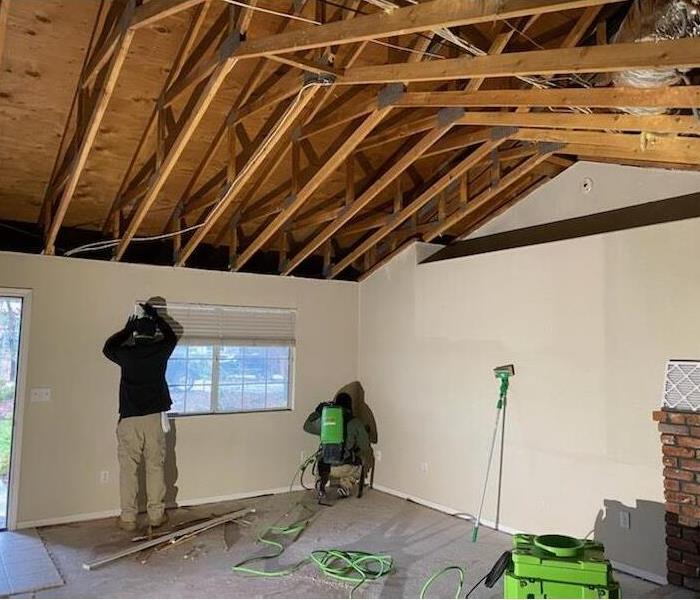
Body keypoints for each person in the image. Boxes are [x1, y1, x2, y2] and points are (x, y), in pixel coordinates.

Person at [103, 301, 177, 532]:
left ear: (135, 332)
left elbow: (107, 348)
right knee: (155, 467)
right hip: (154, 418)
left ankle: (128, 519)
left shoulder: (126, 353)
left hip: (129, 419)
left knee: (128, 469)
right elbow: (171, 337)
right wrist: (157, 317)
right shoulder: (160, 351)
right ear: (153, 332)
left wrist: (127, 329)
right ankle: (156, 516)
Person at [303, 392, 371, 499]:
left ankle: (320, 484)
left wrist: (318, 411)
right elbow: (365, 446)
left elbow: (307, 426)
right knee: (362, 459)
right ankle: (346, 486)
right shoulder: (355, 422)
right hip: (346, 467)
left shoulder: (325, 420)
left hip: (325, 468)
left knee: (320, 456)